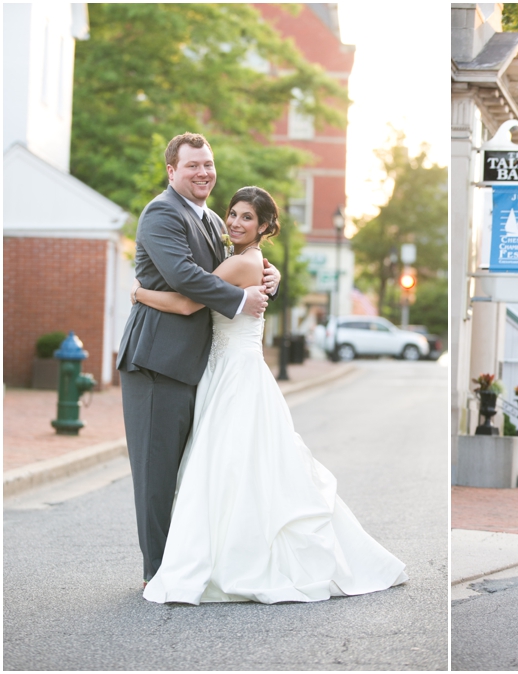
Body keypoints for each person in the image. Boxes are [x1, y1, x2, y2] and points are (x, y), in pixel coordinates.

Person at [136, 186, 407, 604]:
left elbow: (188, 304)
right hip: (227, 368)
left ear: (264, 226)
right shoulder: (248, 262)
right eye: (233, 214)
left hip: (235, 374)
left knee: (229, 467)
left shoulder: (243, 265)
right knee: (238, 466)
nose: (235, 222)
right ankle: (230, 551)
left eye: (247, 217)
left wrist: (139, 293)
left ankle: (235, 559)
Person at [117, 132, 280, 587]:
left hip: (202, 366)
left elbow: (239, 265)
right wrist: (239, 298)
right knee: (156, 472)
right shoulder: (161, 213)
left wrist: (269, 277)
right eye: (192, 166)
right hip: (157, 360)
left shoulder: (211, 219)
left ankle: (189, 562)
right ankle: (157, 573)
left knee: (192, 470)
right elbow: (186, 279)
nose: (203, 172)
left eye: (208, 164)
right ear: (172, 170)